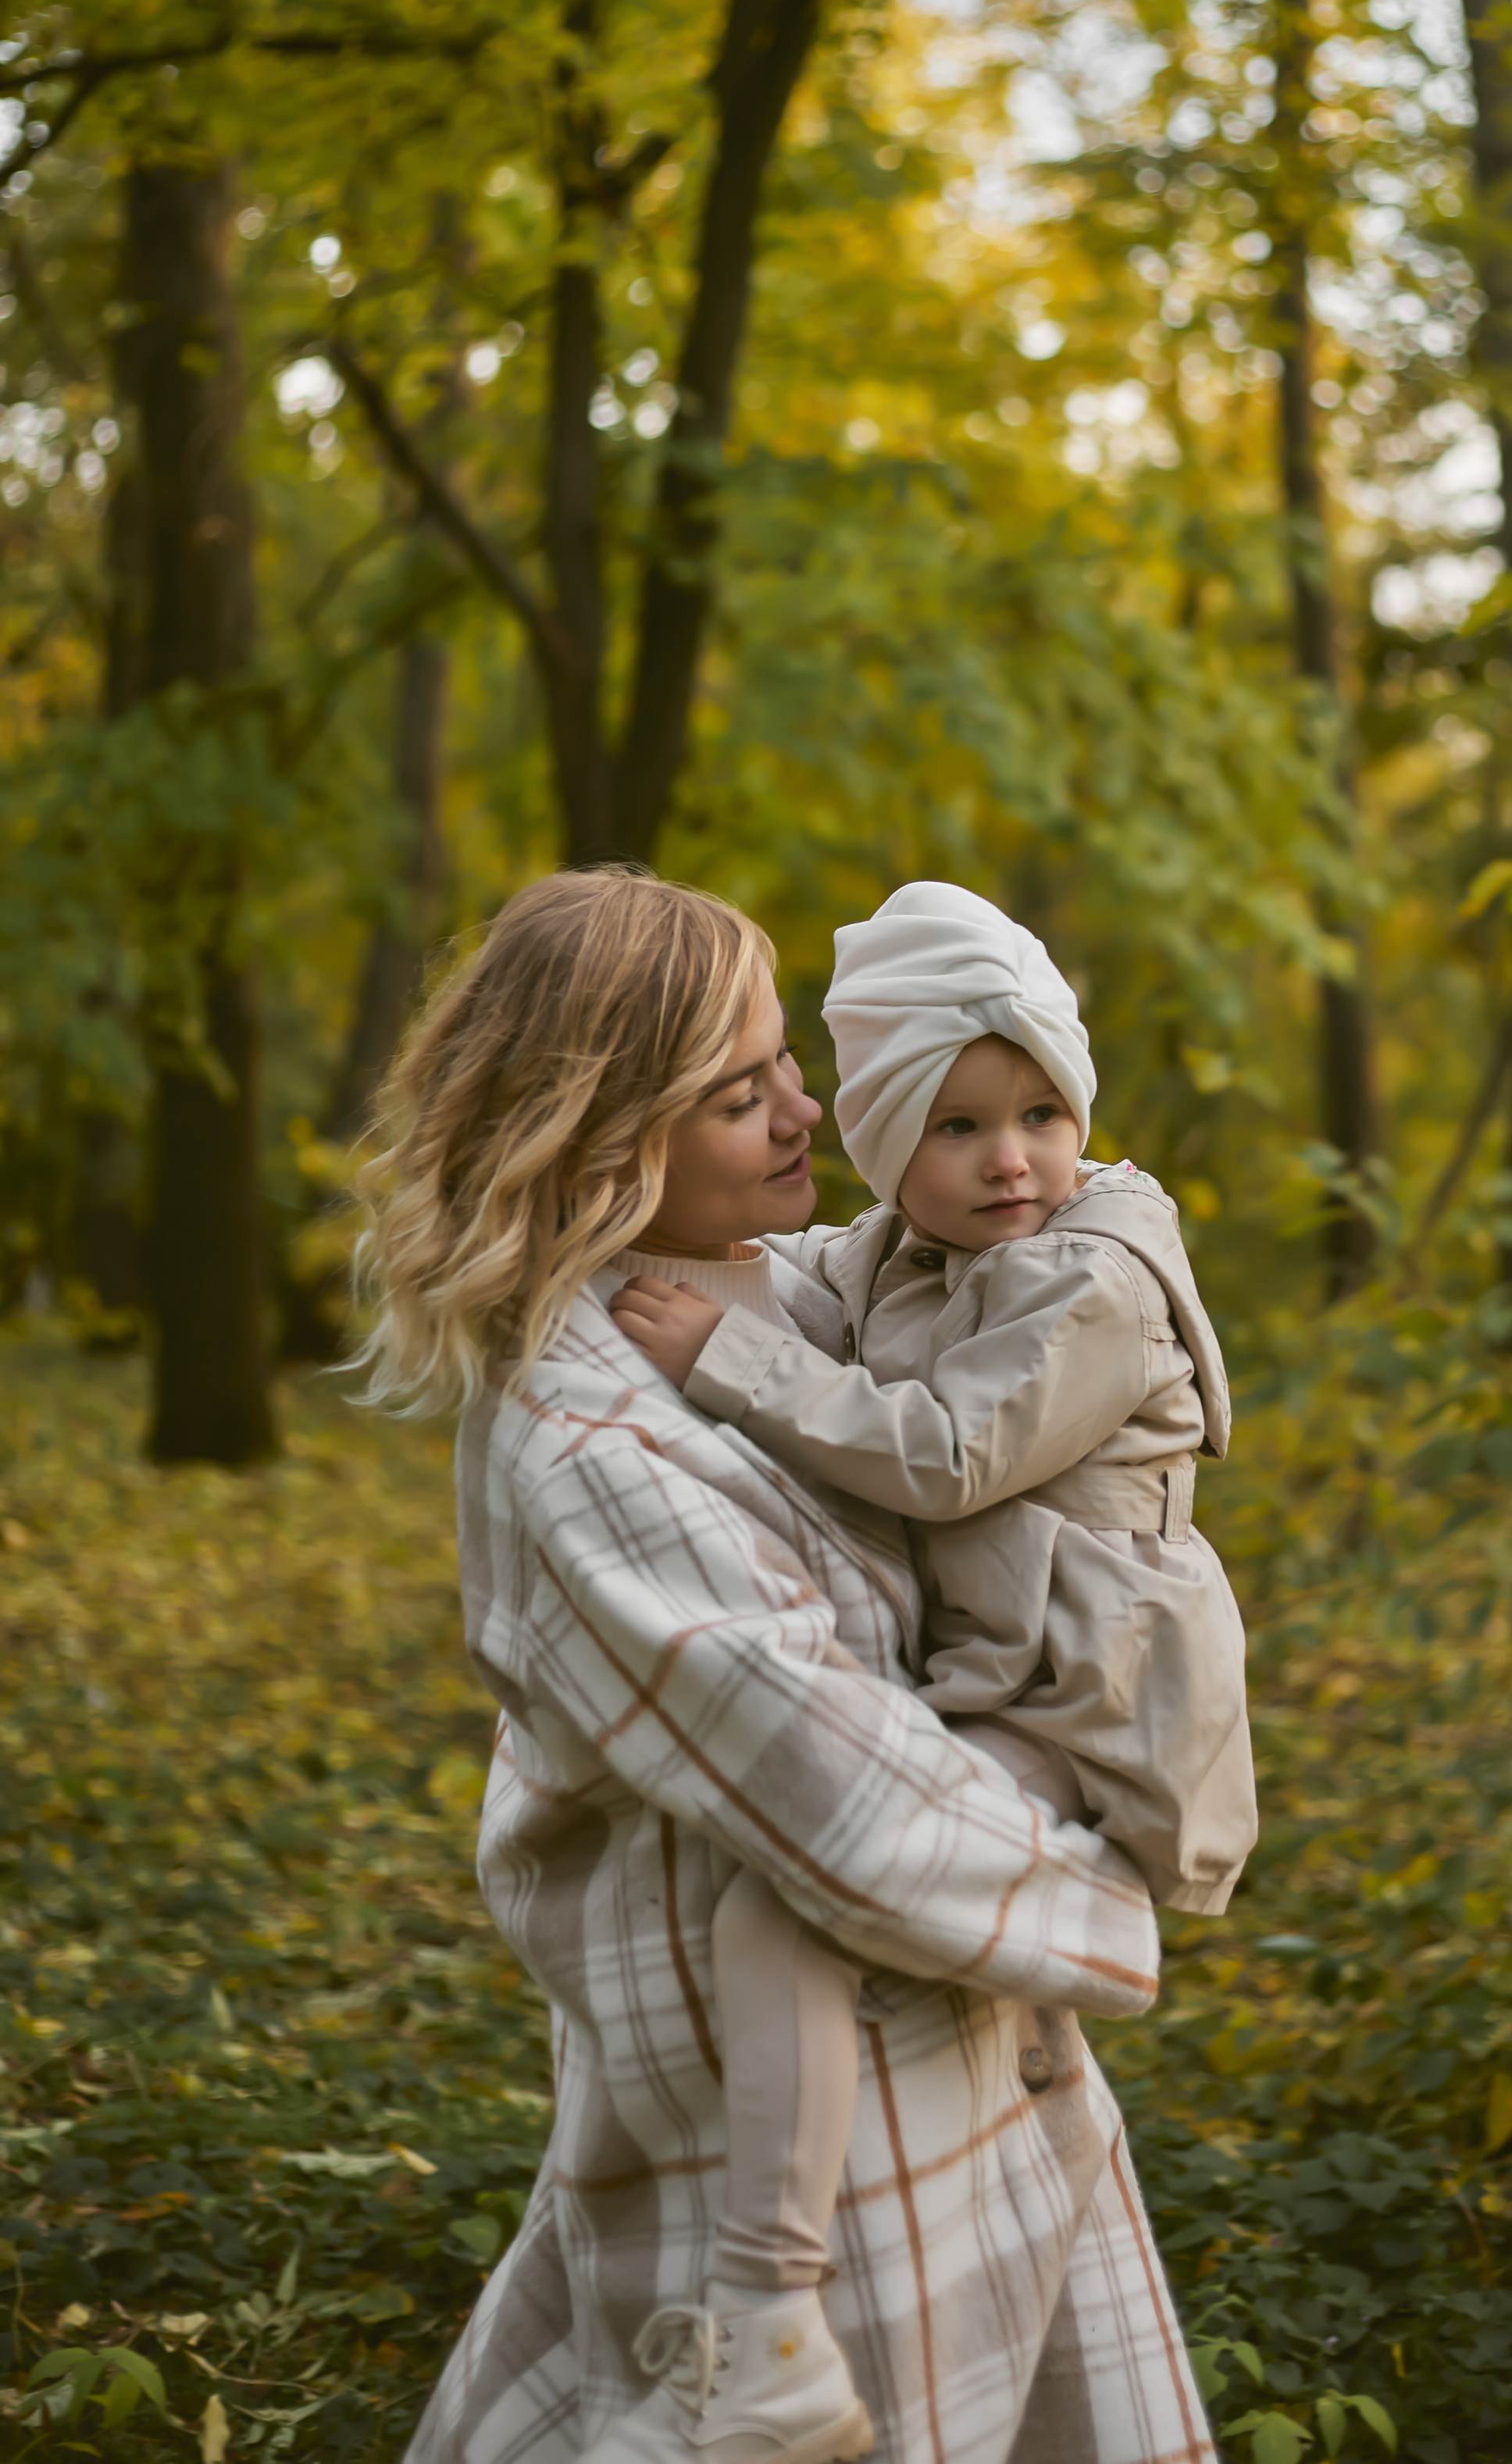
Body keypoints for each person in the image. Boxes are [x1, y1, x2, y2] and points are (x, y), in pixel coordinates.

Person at [355, 869, 1215, 2464]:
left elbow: (968, 1317)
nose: (799, 1109)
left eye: (784, 1067)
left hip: (961, 2051)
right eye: (738, 1091)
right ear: (607, 1140)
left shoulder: (790, 1284)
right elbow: (834, 1788)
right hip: (817, 2137)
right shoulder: (587, 1429)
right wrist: (1109, 1879)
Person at [611, 882, 1256, 2461]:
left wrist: (730, 1359)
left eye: (1041, 1111)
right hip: (999, 1678)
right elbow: (812, 1267)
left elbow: (953, 1451)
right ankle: (994, 2019)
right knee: (803, 1854)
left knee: (793, 1894)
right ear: (890, 1144)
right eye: (957, 1127)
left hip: (1092, 1699)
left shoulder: (1087, 1277)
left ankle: (766, 2311)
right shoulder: (910, 1248)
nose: (1012, 1159)